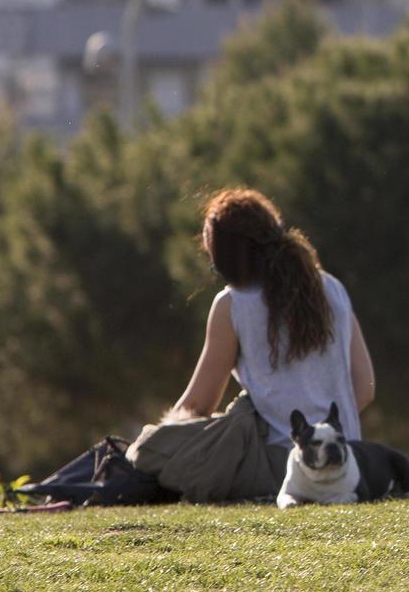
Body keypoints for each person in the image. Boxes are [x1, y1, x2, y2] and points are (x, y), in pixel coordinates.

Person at [153, 188, 375, 497]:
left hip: (284, 466)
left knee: (154, 448)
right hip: (348, 461)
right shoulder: (332, 288)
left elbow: (196, 406)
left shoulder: (233, 304)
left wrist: (159, 441)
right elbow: (364, 389)